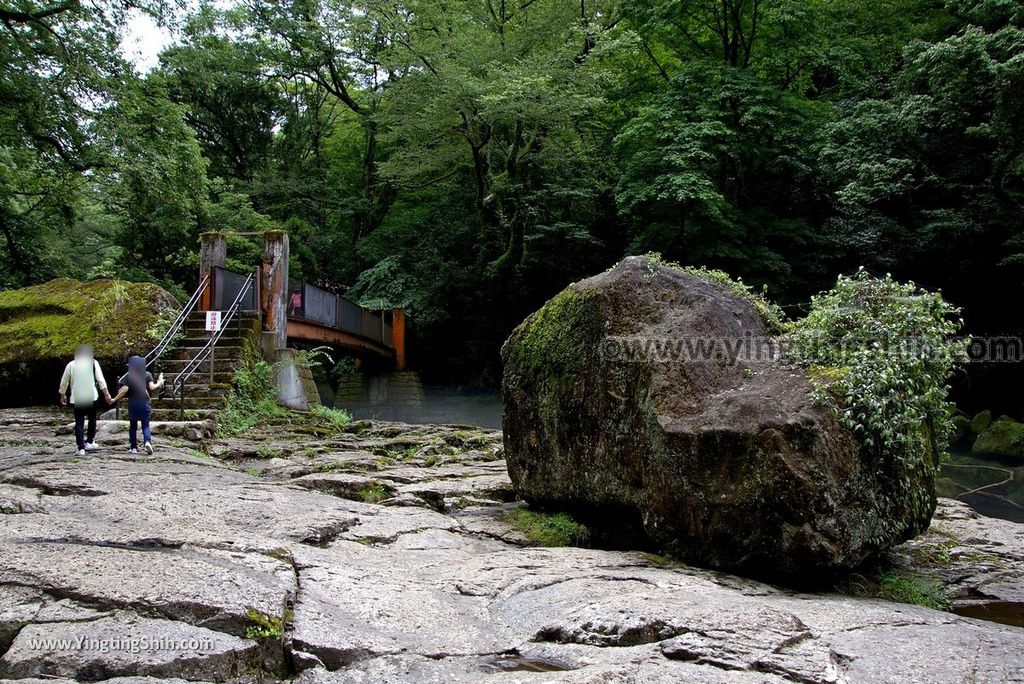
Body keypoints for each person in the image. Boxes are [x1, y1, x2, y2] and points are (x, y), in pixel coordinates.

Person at [58, 345, 113, 456]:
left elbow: (64, 382)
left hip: (77, 397)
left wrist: (62, 395)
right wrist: (106, 394)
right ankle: (90, 441)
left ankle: (81, 448)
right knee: (92, 418)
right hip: (91, 396)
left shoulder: (71, 364)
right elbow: (100, 380)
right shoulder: (93, 363)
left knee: (79, 422)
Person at [111, 355, 164, 455]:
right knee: (145, 425)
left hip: (133, 403)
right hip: (145, 402)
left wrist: (114, 399)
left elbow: (124, 390)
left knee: (133, 426)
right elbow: (152, 388)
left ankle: (133, 447)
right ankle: (147, 442)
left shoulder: (129, 375)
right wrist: (159, 382)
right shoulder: (147, 374)